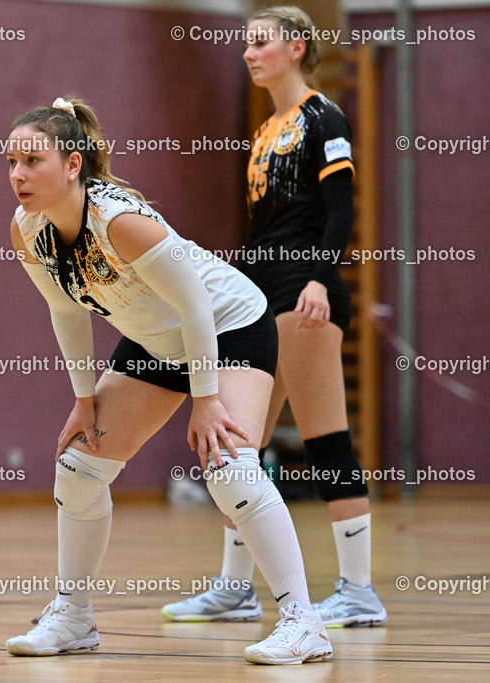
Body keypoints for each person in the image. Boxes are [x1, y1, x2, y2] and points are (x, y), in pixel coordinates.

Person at [3, 97, 331, 665]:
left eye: (32, 160)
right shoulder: (28, 230)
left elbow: (198, 306)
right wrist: (85, 401)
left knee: (229, 466)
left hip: (227, 325)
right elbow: (67, 312)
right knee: (79, 468)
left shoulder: (120, 221)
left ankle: (304, 622)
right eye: (10, 162)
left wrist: (205, 399)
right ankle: (74, 616)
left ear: (73, 164)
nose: (17, 174)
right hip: (159, 342)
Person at [162, 5, 387, 629]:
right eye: (246, 43)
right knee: (241, 444)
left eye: (260, 42)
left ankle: (359, 590)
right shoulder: (264, 130)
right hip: (258, 295)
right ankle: (236, 589)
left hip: (305, 293)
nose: (248, 53)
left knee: (325, 436)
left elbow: (341, 210)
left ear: (295, 47)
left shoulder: (325, 117)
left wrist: (319, 276)